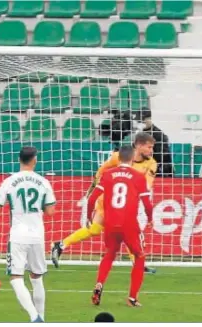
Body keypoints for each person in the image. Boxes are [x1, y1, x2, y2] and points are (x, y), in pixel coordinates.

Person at [51, 132, 157, 274]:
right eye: (149, 147)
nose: (151, 151)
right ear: (138, 145)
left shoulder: (151, 163)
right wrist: (91, 191)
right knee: (128, 231)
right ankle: (138, 263)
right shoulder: (117, 157)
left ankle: (60, 245)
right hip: (108, 200)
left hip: (126, 202)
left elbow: (147, 185)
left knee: (96, 229)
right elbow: (101, 172)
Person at [0, 146, 56, 322]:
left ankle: (34, 317)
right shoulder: (43, 182)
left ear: (19, 160)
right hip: (37, 235)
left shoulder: (9, 181)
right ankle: (42, 318)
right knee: (36, 277)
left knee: (16, 277)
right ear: (35, 160)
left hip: (17, 235)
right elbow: (50, 211)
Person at [87, 145, 154, 307]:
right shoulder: (138, 176)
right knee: (139, 256)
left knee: (109, 255)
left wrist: (89, 216)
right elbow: (147, 203)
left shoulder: (108, 175)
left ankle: (99, 285)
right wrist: (150, 218)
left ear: (119, 158)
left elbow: (92, 198)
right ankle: (132, 298)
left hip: (110, 223)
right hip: (129, 224)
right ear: (132, 158)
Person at [141, 109, 173, 177]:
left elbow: (164, 156)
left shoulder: (158, 134)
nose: (142, 122)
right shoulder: (139, 133)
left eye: (143, 120)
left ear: (149, 118)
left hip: (156, 170)